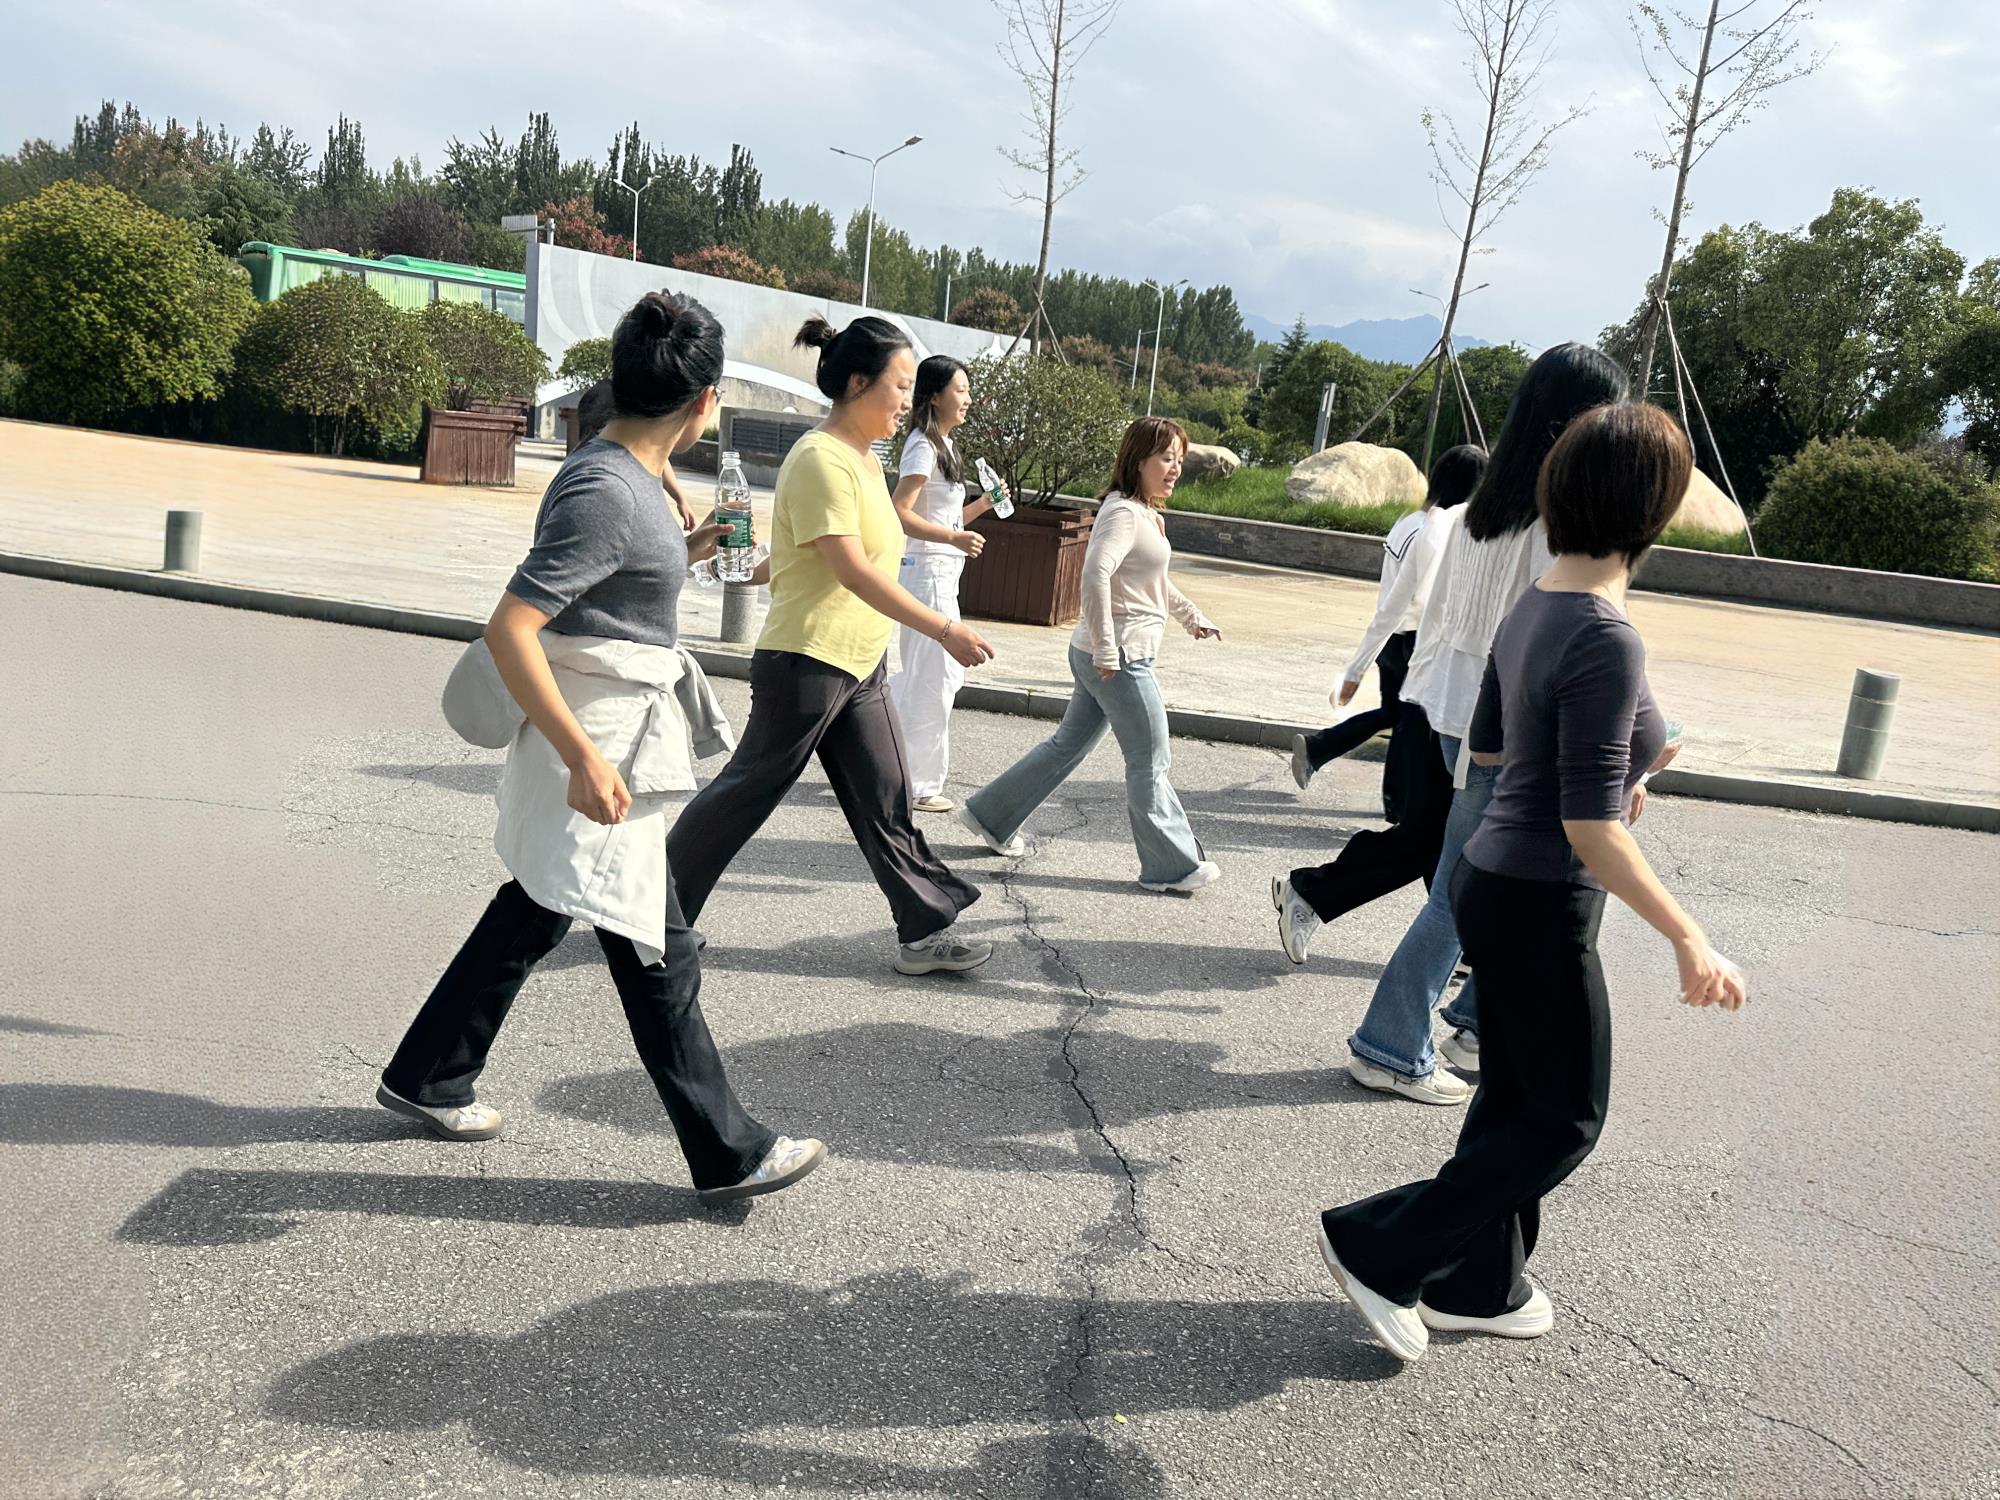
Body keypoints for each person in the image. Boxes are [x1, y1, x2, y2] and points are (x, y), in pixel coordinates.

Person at [1314, 400, 1746, 1363]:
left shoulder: (1540, 602)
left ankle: (1482, 1283)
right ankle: (1381, 1247)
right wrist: (1689, 937)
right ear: (1655, 509)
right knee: (1564, 1117)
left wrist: (1616, 768)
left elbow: (1497, 747)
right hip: (1542, 898)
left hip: (1490, 879)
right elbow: (1587, 824)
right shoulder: (1604, 634)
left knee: (1513, 1097)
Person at [377, 291, 824, 1206]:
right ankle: (729, 1152)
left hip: (611, 736)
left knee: (538, 909)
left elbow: (607, 592)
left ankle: (429, 1074)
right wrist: (583, 756)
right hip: (602, 744)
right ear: (707, 401)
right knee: (655, 946)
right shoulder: (608, 490)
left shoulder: (625, 476)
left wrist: (687, 550)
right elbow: (511, 627)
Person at [1271, 347, 1627, 1089]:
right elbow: (1541, 647)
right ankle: (1392, 1045)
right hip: (1509, 733)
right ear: (1577, 423)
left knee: (1500, 887)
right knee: (1467, 895)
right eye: (1609, 416)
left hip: (1458, 718)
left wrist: (1432, 716)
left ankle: (1470, 1024)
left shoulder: (1472, 516)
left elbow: (1438, 625)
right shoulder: (1555, 528)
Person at [666, 316, 999, 977]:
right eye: (899, 385)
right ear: (856, 383)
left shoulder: (864, 460)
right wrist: (944, 629)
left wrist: (746, 568)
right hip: (808, 661)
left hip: (860, 663)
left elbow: (805, 554)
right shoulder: (821, 458)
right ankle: (651, 919)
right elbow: (851, 569)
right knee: (744, 795)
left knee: (887, 799)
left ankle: (925, 932)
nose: (908, 400)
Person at [959, 417, 1224, 893]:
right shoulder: (1123, 513)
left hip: (1104, 654)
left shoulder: (1142, 513)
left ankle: (990, 817)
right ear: (1138, 460)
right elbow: (1095, 574)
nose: (1175, 469)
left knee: (1067, 747)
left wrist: (1192, 617)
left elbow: (1152, 582)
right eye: (1166, 458)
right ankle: (1172, 867)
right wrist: (1107, 650)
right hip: (1118, 658)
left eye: (1179, 460)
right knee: (1150, 758)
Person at [1291, 444, 1488, 820]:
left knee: (1397, 716)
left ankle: (1338, 762)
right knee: (1410, 724)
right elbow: (1405, 602)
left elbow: (1390, 603)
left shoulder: (1407, 523)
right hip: (1415, 642)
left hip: (1393, 642)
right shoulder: (1436, 533)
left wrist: (1363, 661)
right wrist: (1355, 669)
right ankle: (1397, 806)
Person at [887, 356, 996, 814]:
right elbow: (900, 511)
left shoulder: (943, 445)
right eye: (961, 390)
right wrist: (953, 538)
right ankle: (918, 784)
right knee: (934, 677)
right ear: (934, 396)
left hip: (941, 574)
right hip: (926, 573)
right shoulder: (922, 447)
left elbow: (944, 517)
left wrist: (981, 508)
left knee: (929, 675)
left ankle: (880, 754)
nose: (968, 399)